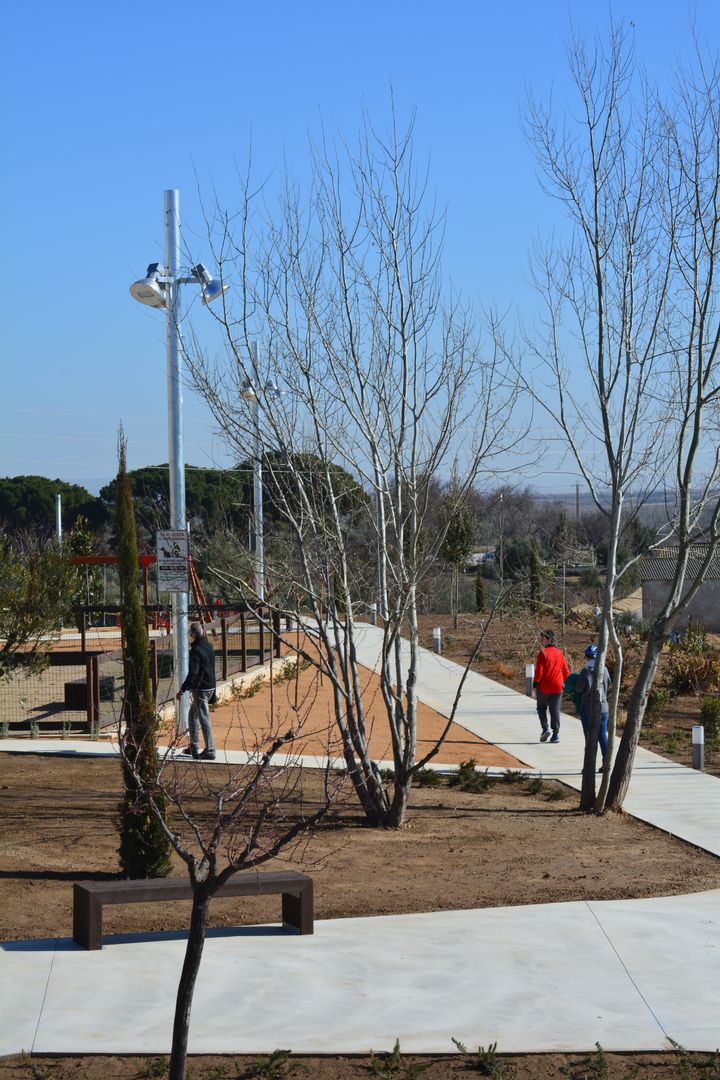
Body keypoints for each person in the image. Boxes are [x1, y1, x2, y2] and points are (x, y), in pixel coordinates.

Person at [176, 621, 217, 760]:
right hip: (210, 686)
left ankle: (210, 749)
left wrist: (183, 689)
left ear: (192, 634)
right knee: (192, 715)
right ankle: (193, 745)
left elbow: (192, 673)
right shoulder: (209, 646)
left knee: (203, 718)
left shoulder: (195, 651)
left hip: (201, 689)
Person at [575, 643, 610, 771]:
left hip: (588, 707)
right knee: (602, 735)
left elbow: (578, 689)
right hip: (604, 707)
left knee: (589, 737)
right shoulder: (605, 669)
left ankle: (589, 766)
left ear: (587, 656)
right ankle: (606, 763)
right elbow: (609, 684)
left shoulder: (586, 671)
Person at [533, 629, 570, 744]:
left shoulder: (542, 653)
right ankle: (556, 734)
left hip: (545, 686)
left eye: (543, 638)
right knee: (555, 709)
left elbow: (539, 670)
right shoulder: (560, 653)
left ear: (549, 639)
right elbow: (566, 671)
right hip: (558, 686)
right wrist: (563, 682)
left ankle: (545, 728)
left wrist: (535, 684)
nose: (541, 640)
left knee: (541, 708)